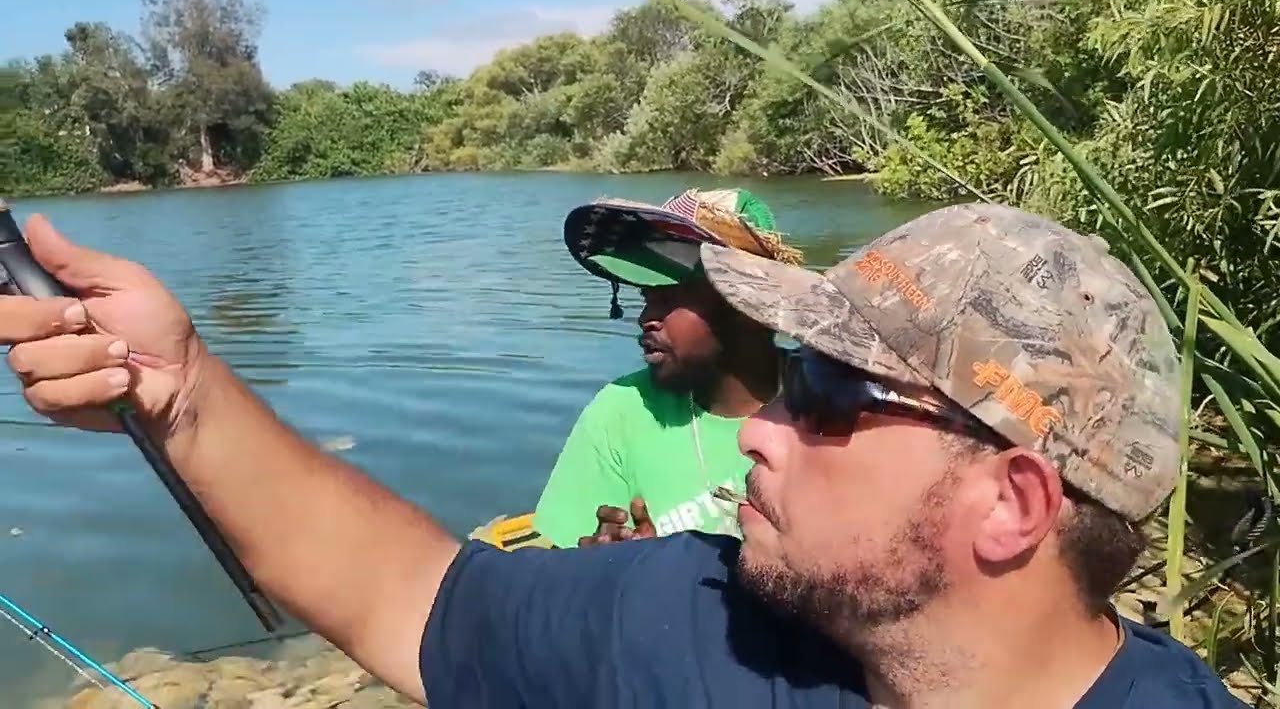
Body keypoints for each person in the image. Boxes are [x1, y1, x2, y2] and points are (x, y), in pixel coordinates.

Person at [0, 202, 1246, 708]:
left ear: (1012, 502)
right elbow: (412, 595)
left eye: (821, 397)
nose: (759, 424)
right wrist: (183, 394)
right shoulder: (694, 620)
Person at [534, 187, 805, 548]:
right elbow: (561, 569)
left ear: (747, 306)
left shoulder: (833, 402)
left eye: (670, 297)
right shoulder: (620, 412)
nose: (646, 318)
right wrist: (612, 569)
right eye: (647, 298)